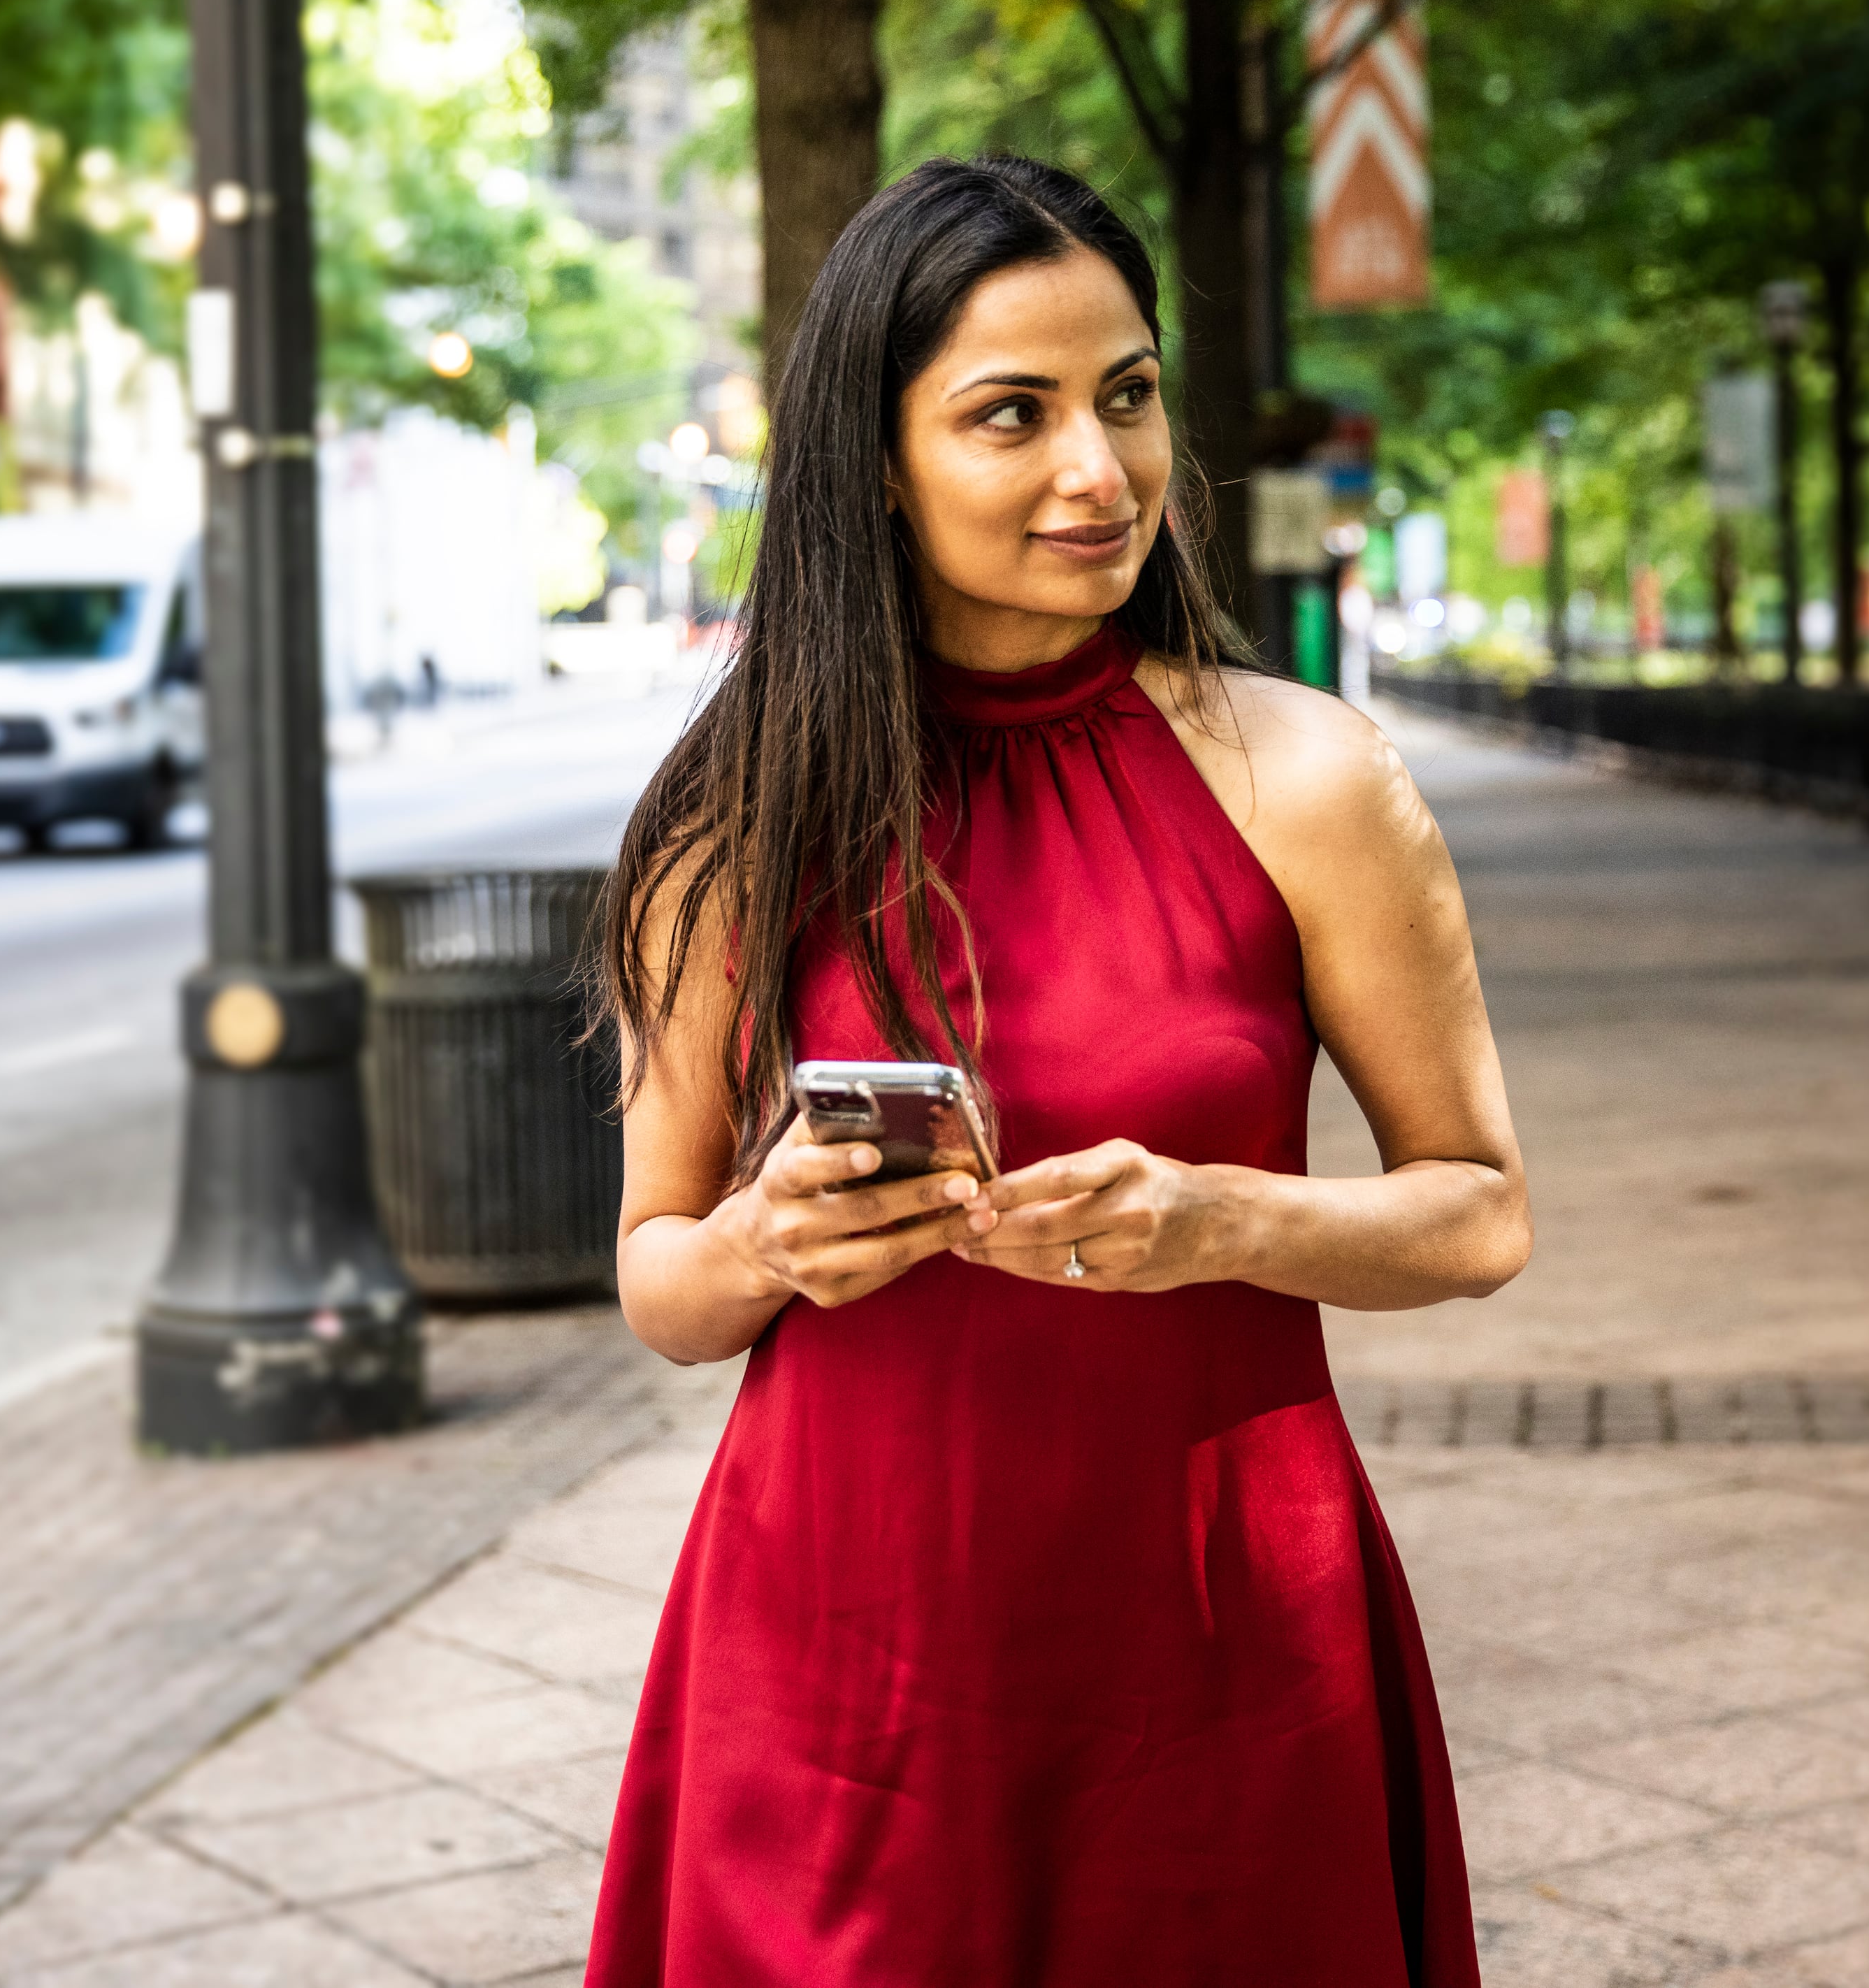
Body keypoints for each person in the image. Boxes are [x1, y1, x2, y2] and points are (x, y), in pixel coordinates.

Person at [586, 154, 1531, 1986]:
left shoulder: (1309, 780)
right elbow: (658, 1278)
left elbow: (1480, 1216)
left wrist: (1224, 1219)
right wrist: (771, 1239)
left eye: (1128, 394)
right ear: (876, 457)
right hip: (845, 1663)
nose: (1098, 472)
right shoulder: (741, 822)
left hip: (1224, 1638)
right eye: (1011, 415)